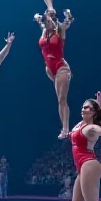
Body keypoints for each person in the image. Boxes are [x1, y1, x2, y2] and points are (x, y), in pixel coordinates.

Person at [34, 8, 75, 138]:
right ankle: (63, 127)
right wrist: (37, 18)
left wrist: (68, 15)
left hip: (61, 67)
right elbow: (40, 22)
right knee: (59, 100)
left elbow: (68, 22)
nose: (47, 22)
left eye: (50, 19)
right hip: (50, 69)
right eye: (46, 20)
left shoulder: (60, 30)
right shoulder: (44, 30)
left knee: (62, 99)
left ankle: (66, 128)